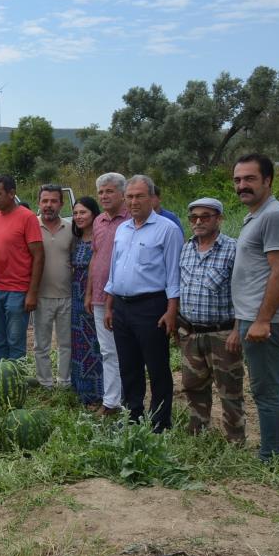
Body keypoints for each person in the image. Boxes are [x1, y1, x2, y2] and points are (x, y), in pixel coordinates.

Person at [231, 153, 279, 465]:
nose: (242, 185)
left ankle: (273, 458)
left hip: (268, 321)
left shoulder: (275, 216)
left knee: (266, 392)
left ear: (268, 181)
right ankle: (277, 450)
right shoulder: (258, 215)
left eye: (250, 179)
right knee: (271, 388)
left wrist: (262, 320)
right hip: (255, 318)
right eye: (237, 180)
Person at [103, 175, 182, 432]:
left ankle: (160, 422)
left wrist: (172, 310)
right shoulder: (122, 229)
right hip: (123, 306)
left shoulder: (167, 229)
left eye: (139, 196)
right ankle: (132, 416)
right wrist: (109, 305)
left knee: (157, 366)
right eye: (130, 196)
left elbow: (174, 274)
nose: (134, 201)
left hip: (151, 307)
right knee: (128, 365)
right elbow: (114, 271)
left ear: (151, 198)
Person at [178, 197, 244, 442]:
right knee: (193, 388)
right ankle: (198, 434)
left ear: (219, 218)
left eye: (205, 216)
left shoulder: (233, 249)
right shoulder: (186, 248)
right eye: (194, 217)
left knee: (230, 391)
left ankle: (235, 441)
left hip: (223, 334)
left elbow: (244, 293)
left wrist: (238, 331)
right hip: (191, 333)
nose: (198, 221)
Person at [0, 175, 44, 362]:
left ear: (12, 194)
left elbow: (39, 256)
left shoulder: (27, 218)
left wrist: (32, 293)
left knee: (15, 342)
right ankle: (1, 379)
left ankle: (16, 382)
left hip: (17, 291)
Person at [85, 172, 130, 416]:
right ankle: (112, 402)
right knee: (107, 350)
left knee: (127, 350)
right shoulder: (99, 221)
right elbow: (95, 256)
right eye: (101, 192)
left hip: (124, 297)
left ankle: (128, 400)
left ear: (122, 194)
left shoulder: (131, 220)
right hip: (100, 297)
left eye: (109, 191)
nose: (104, 196)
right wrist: (89, 292)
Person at [34, 184, 73, 388]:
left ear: (61, 203)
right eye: (45, 201)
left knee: (66, 343)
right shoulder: (31, 226)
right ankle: (45, 382)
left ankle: (65, 382)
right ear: (39, 203)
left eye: (53, 201)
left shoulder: (70, 228)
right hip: (40, 296)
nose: (49, 205)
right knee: (41, 344)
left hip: (67, 295)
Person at [69, 197, 103, 408]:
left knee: (97, 346)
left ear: (93, 214)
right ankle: (82, 391)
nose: (79, 217)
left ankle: (99, 394)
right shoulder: (76, 239)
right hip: (76, 299)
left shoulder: (101, 239)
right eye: (75, 213)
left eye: (83, 212)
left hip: (94, 298)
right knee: (79, 346)